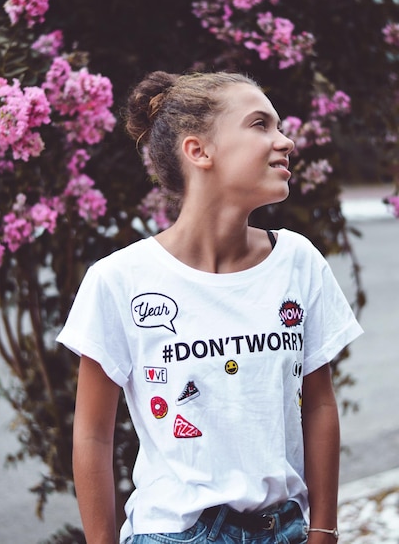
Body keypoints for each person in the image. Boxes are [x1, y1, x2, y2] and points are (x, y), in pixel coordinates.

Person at [57, 70, 363, 544]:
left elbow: (319, 404)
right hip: (170, 532)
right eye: (260, 125)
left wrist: (323, 529)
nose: (285, 142)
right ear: (198, 151)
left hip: (284, 531)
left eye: (279, 127)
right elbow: (92, 436)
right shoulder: (119, 280)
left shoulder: (298, 263)